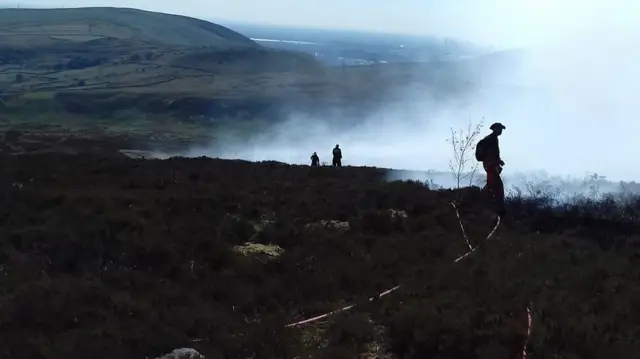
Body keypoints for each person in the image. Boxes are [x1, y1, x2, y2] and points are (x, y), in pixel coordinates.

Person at [476, 122, 506, 216]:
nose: (501, 131)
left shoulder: (492, 139)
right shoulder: (491, 139)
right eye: (500, 129)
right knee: (497, 186)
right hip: (490, 165)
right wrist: (496, 163)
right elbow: (491, 155)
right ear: (495, 129)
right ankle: (496, 208)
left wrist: (499, 161)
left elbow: (493, 154)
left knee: (493, 184)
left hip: (490, 165)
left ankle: (485, 202)